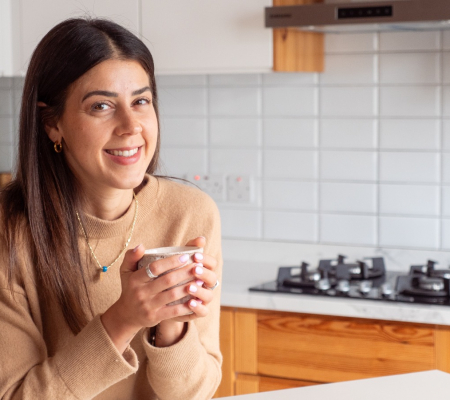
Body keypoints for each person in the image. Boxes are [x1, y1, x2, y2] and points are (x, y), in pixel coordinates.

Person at [0, 18, 222, 400]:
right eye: (101, 106)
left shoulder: (189, 214)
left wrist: (169, 324)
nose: (130, 125)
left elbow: (194, 394)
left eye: (141, 101)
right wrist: (123, 320)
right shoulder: (9, 230)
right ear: (52, 123)